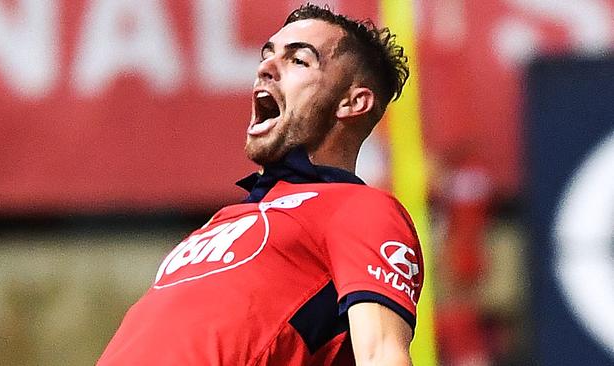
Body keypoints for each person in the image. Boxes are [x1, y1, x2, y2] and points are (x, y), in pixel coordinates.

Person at [98, 4, 424, 365]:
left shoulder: (360, 209)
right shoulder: (223, 219)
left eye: (299, 60)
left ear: (353, 102)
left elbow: (381, 355)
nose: (265, 68)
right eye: (267, 55)